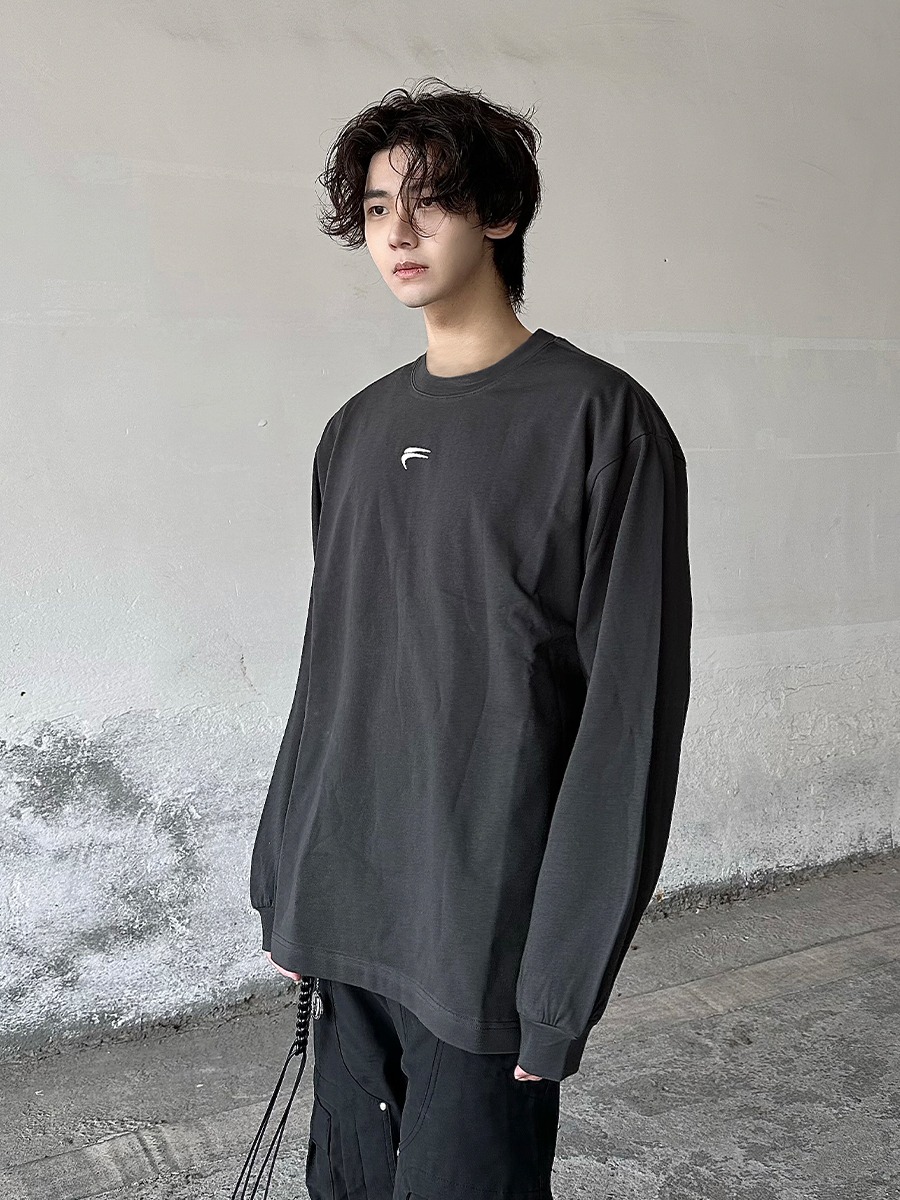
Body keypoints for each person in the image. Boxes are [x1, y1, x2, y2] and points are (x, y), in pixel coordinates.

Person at [250, 77, 692, 1200]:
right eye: (376, 207)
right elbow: (332, 674)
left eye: (430, 201)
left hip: (483, 937)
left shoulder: (599, 422)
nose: (396, 232)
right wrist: (284, 883)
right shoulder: (354, 431)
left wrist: (560, 987)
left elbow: (627, 725)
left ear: (500, 214)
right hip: (348, 914)